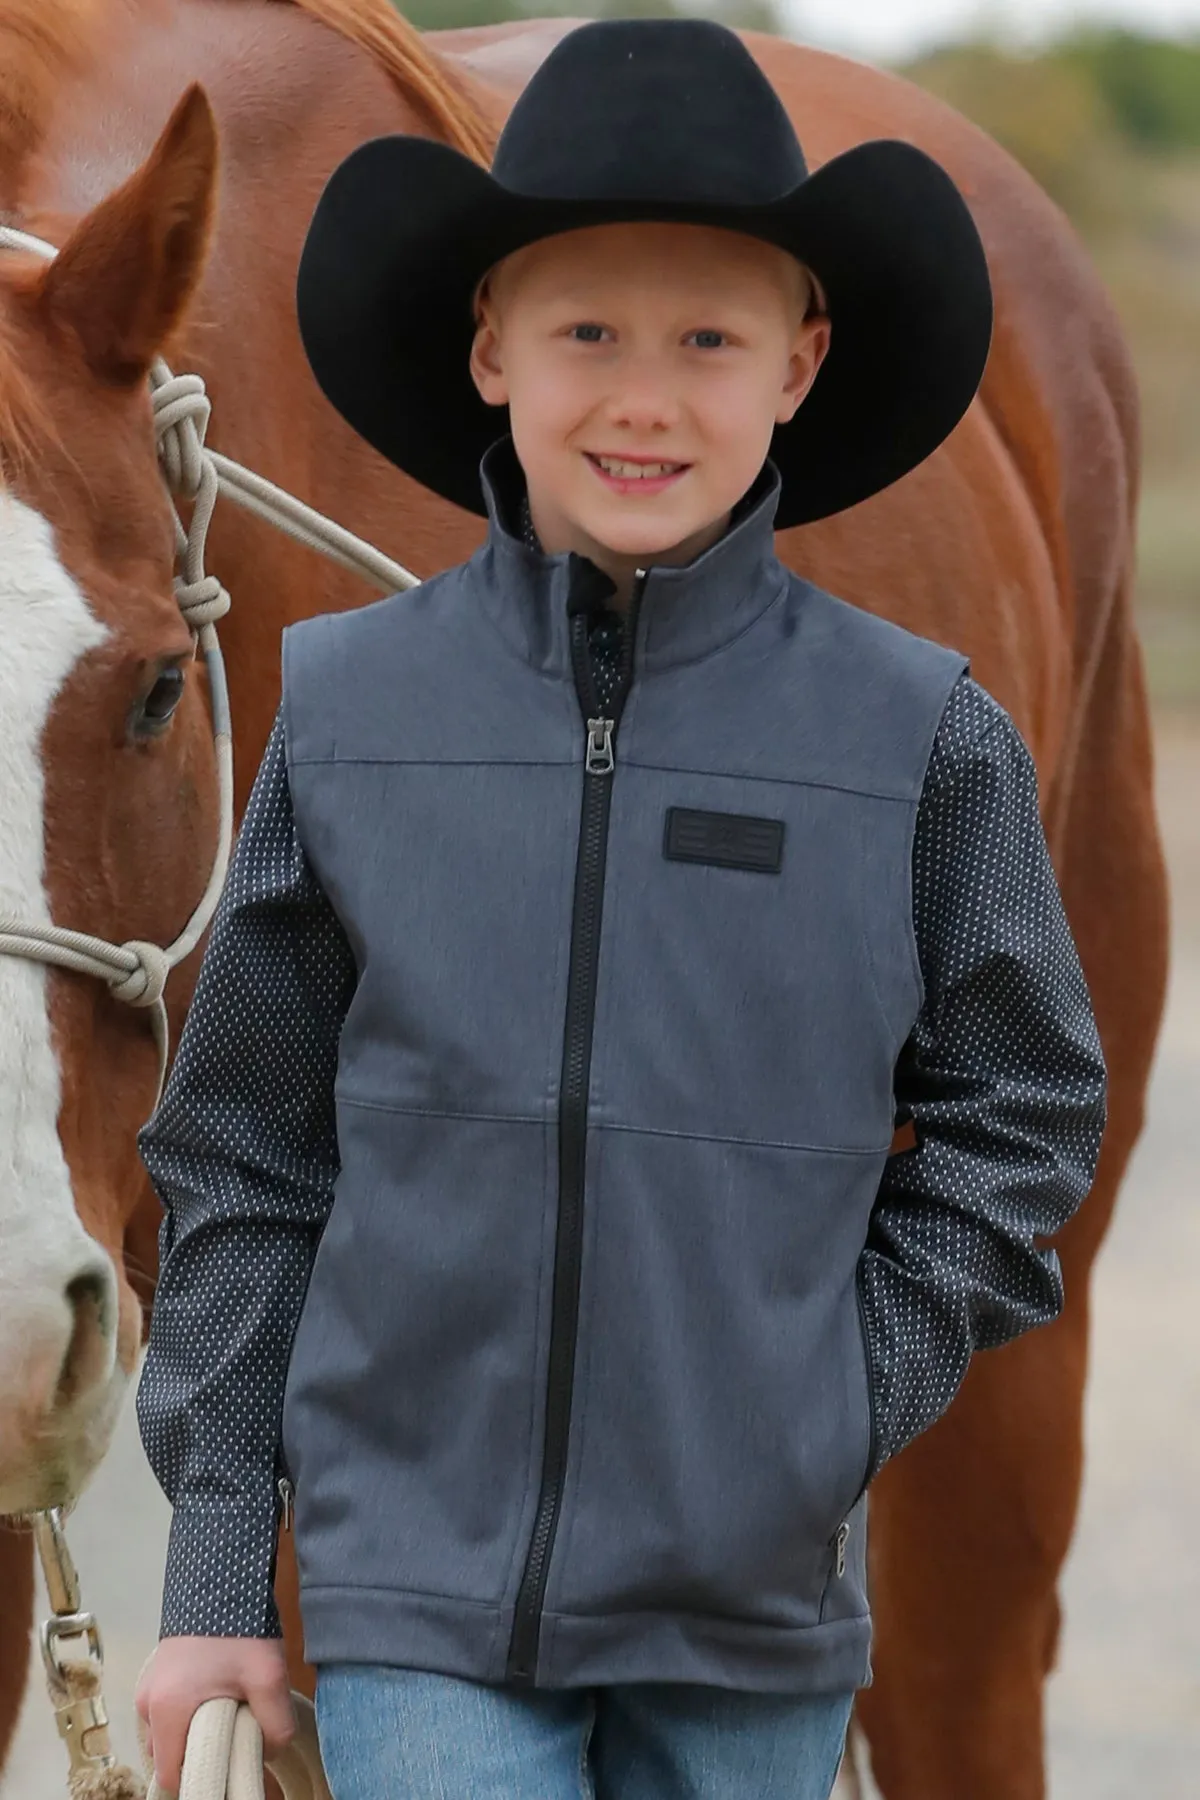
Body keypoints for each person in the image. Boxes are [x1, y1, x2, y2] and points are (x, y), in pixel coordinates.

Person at [132, 17, 1107, 1800]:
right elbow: (245, 1159)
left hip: (749, 1616)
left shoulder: (922, 740)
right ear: (491, 348)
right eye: (587, 331)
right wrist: (213, 1575)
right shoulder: (344, 718)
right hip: (414, 1603)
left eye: (707, 339)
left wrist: (834, 1402)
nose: (643, 398)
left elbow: (1024, 1112)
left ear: (799, 366)